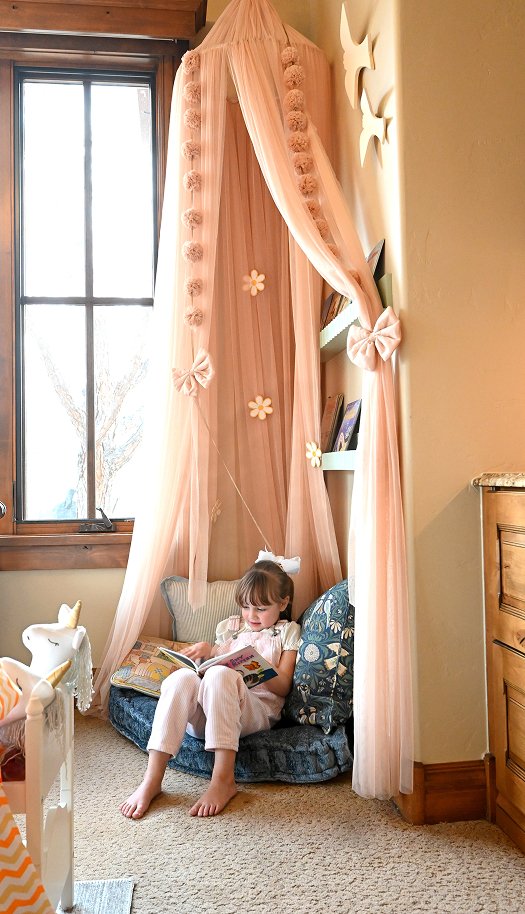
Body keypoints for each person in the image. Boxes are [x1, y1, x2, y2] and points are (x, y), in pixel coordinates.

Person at [119, 558, 301, 819]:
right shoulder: (229, 628)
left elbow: (283, 687)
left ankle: (222, 780)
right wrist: (206, 652)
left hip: (255, 713)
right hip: (210, 715)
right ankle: (153, 779)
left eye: (261, 609)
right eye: (246, 607)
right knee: (182, 678)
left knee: (220, 675)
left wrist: (258, 666)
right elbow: (209, 670)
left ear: (283, 604)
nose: (251, 615)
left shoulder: (287, 632)